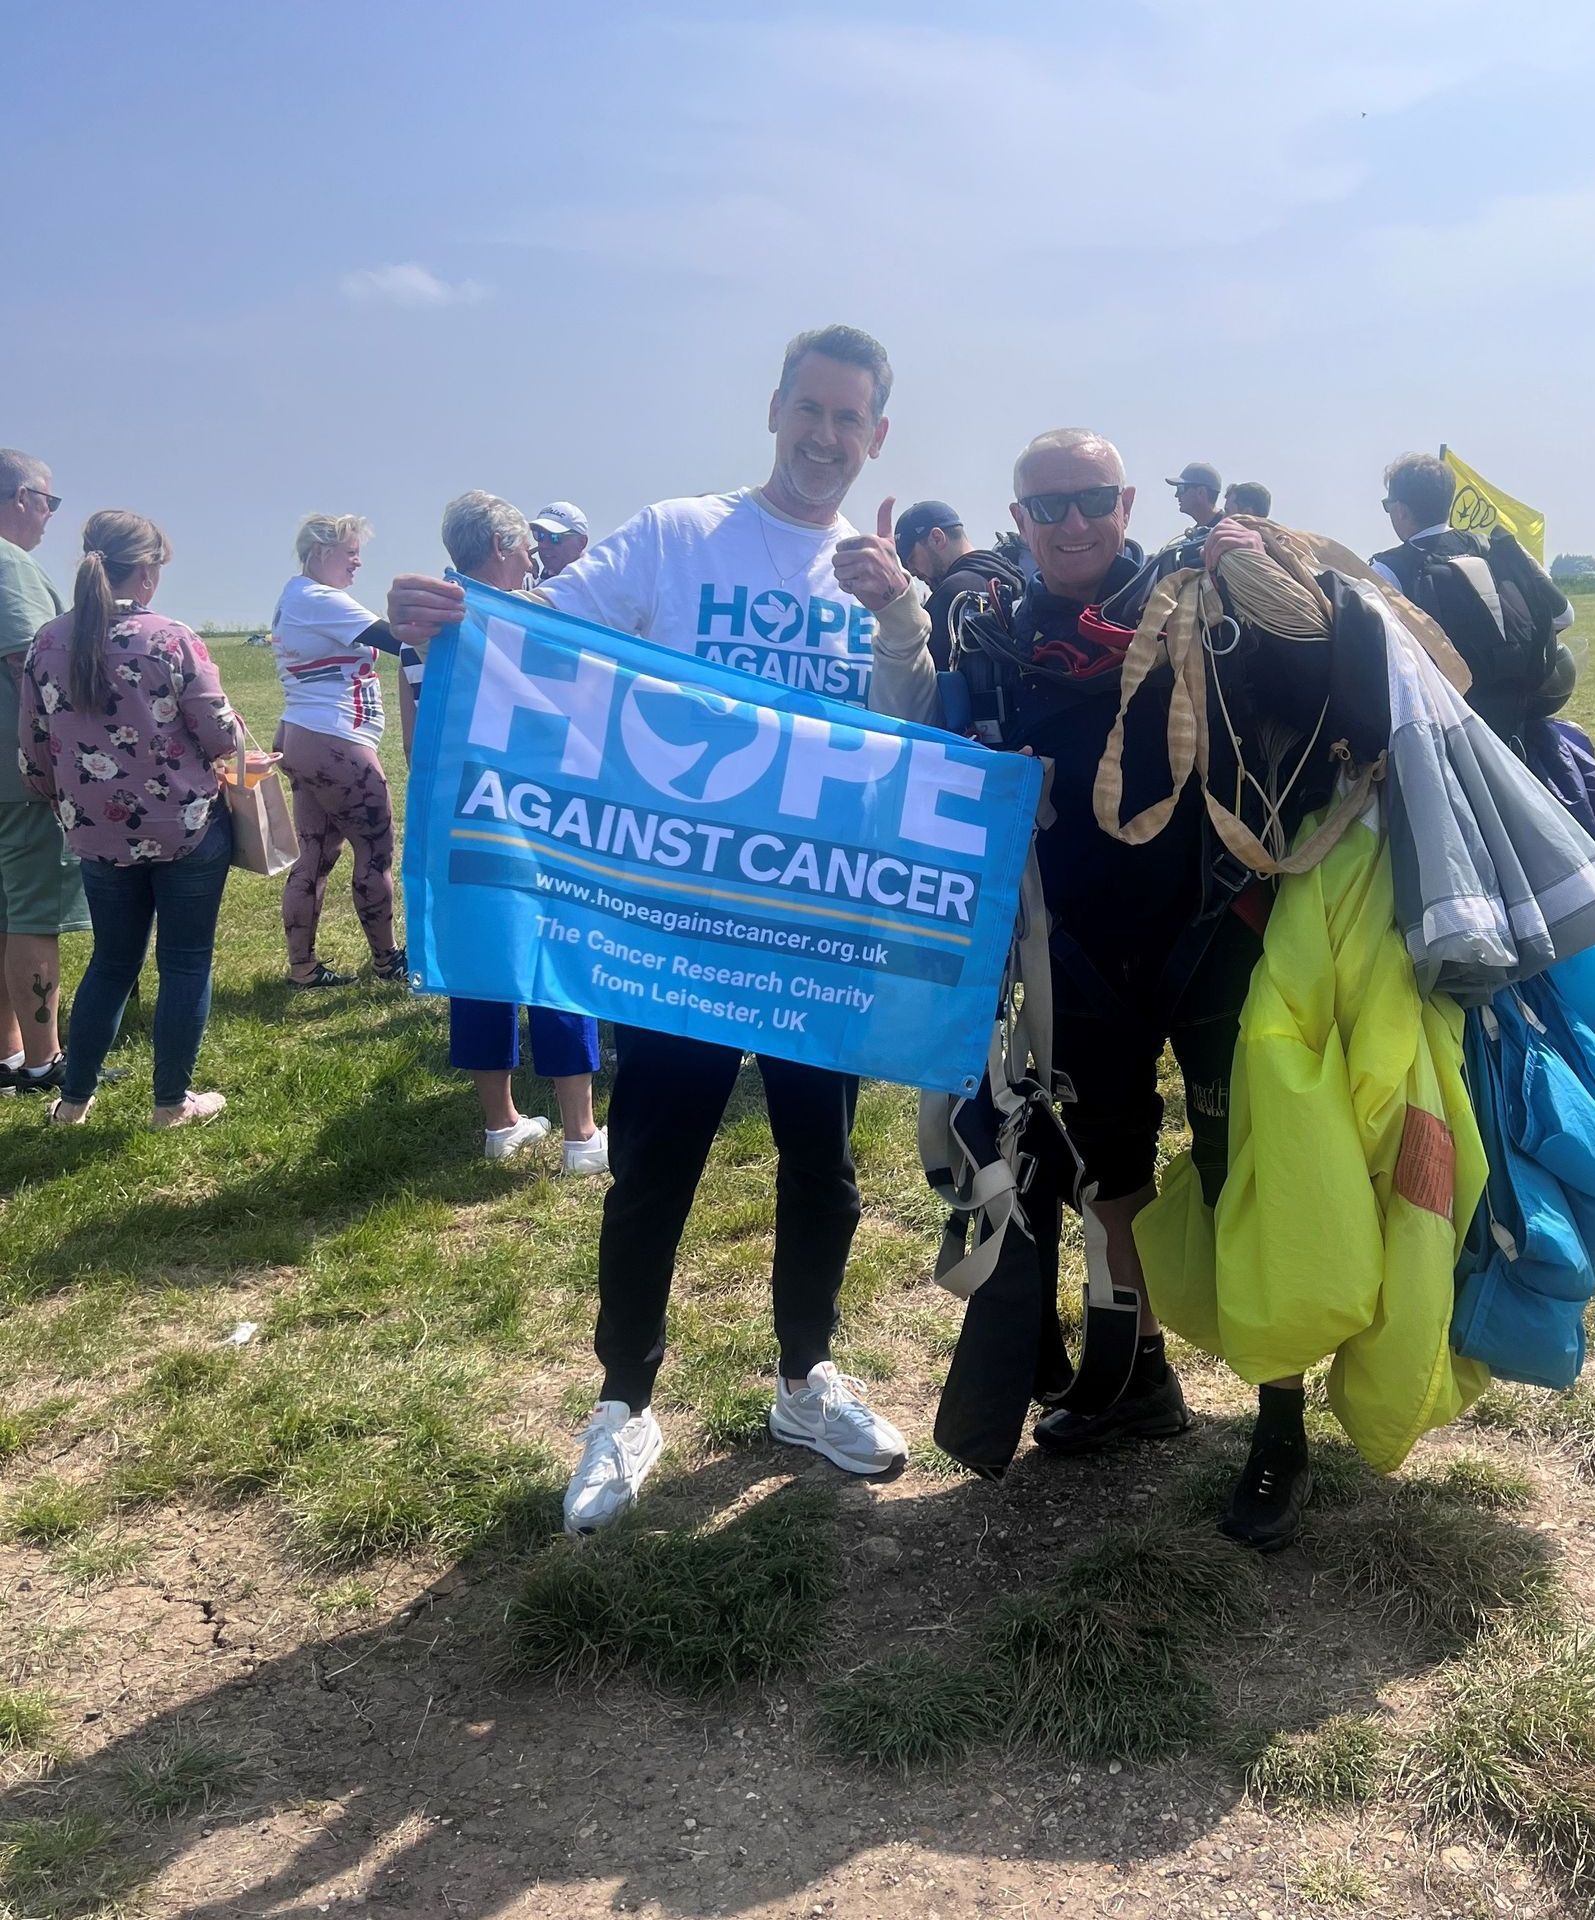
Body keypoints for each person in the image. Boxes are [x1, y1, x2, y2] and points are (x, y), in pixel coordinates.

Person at [388, 324, 913, 1531]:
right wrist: (459, 610)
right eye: (811, 411)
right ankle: (624, 1405)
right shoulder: (681, 535)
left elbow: (914, 724)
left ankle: (805, 1380)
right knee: (653, 1172)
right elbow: (541, 630)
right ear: (775, 409)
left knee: (822, 1170)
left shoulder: (876, 574)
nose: (827, 437)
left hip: (816, 935)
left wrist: (899, 620)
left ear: (877, 436)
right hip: (677, 937)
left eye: (852, 420)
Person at [858, 429, 1373, 1551]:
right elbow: (918, 742)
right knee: (1114, 1179)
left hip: (1213, 941)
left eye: (1094, 498)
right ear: (1019, 516)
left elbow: (1338, 699)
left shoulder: (1207, 609)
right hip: (1076, 958)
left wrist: (1277, 575)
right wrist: (900, 611)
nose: (1075, 521)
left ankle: (1279, 1426)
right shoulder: (995, 641)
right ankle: (1137, 1376)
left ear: (1128, 501)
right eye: (1049, 507)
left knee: (1247, 1174)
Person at [19, 512, 239, 1129]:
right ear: (146, 571)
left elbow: (33, 748)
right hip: (185, 826)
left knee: (112, 962)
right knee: (186, 961)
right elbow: (220, 734)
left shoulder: (47, 641)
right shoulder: (169, 639)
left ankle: (73, 1101)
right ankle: (171, 1103)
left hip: (95, 833)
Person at [436, 492, 608, 1173]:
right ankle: (580, 1133)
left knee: (482, 959)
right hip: (540, 805)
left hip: (463, 806)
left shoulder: (431, 619)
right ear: (505, 548)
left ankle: (500, 1121)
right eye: (527, 547)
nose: (536, 557)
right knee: (559, 954)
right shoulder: (538, 619)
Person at [270, 514, 409, 989]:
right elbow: (398, 640)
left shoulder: (298, 597)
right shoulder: (319, 598)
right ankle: (388, 961)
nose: (358, 561)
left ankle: (303, 967)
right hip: (335, 741)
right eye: (350, 551)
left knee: (315, 854)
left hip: (306, 736)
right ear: (318, 552)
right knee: (375, 851)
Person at [1370, 452, 1573, 742]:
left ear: (1401, 510)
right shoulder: (1499, 548)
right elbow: (1564, 616)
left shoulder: (1388, 569)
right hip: (1515, 723)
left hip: (1445, 731)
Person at [0, 447, 88, 1095]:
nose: (50, 515)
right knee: (33, 913)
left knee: (6, 912)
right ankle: (43, 1060)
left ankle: (7, 1054)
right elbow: (30, 667)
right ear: (20, 498)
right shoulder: (9, 563)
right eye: (47, 501)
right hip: (20, 777)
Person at [892, 499, 1026, 669]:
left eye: (911, 559)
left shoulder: (951, 594)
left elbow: (919, 681)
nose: (912, 572)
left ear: (937, 538)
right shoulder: (1016, 577)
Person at [528, 502, 589, 581]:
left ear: (581, 542)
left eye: (555, 537)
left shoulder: (598, 587)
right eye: (540, 535)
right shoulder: (530, 583)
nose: (544, 545)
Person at [1166, 460, 1224, 532]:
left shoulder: (1230, 530)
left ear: (1200, 492)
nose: (1177, 495)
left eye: (1181, 488)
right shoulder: (1196, 536)